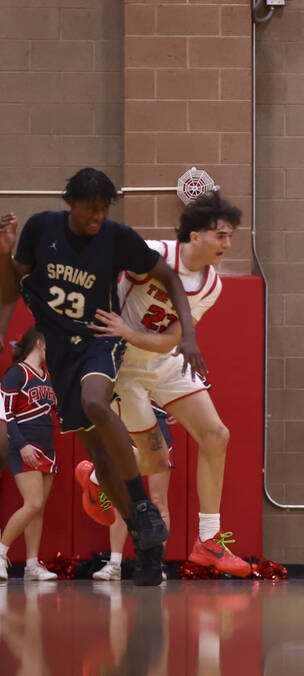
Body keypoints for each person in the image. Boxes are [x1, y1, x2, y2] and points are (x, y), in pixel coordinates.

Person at [0, 168, 206, 587]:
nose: (97, 216)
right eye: (90, 208)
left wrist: (189, 334)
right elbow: (9, 289)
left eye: (103, 209)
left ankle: (144, 510)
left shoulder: (116, 237)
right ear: (70, 203)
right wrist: (4, 254)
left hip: (98, 339)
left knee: (96, 400)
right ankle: (145, 546)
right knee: (100, 456)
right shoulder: (42, 228)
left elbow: (168, 277)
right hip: (58, 350)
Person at [86, 191, 250, 577]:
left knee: (217, 435)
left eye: (229, 236)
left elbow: (171, 338)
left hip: (160, 359)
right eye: (221, 235)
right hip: (122, 368)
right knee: (155, 461)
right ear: (195, 236)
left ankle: (208, 540)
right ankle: (95, 475)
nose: (227, 244)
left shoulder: (212, 287)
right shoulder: (150, 252)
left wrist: (131, 331)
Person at [0, 328, 58, 581]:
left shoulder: (47, 376)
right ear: (39, 342)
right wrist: (22, 445)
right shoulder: (17, 373)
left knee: (39, 509)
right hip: (24, 446)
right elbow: (5, 414)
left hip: (47, 447)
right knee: (32, 503)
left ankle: (32, 565)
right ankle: (1, 552)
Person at [92, 404, 174, 582]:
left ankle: (156, 563)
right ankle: (114, 563)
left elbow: (192, 384)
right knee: (121, 499)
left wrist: (181, 410)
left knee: (159, 501)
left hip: (156, 427)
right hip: (126, 425)